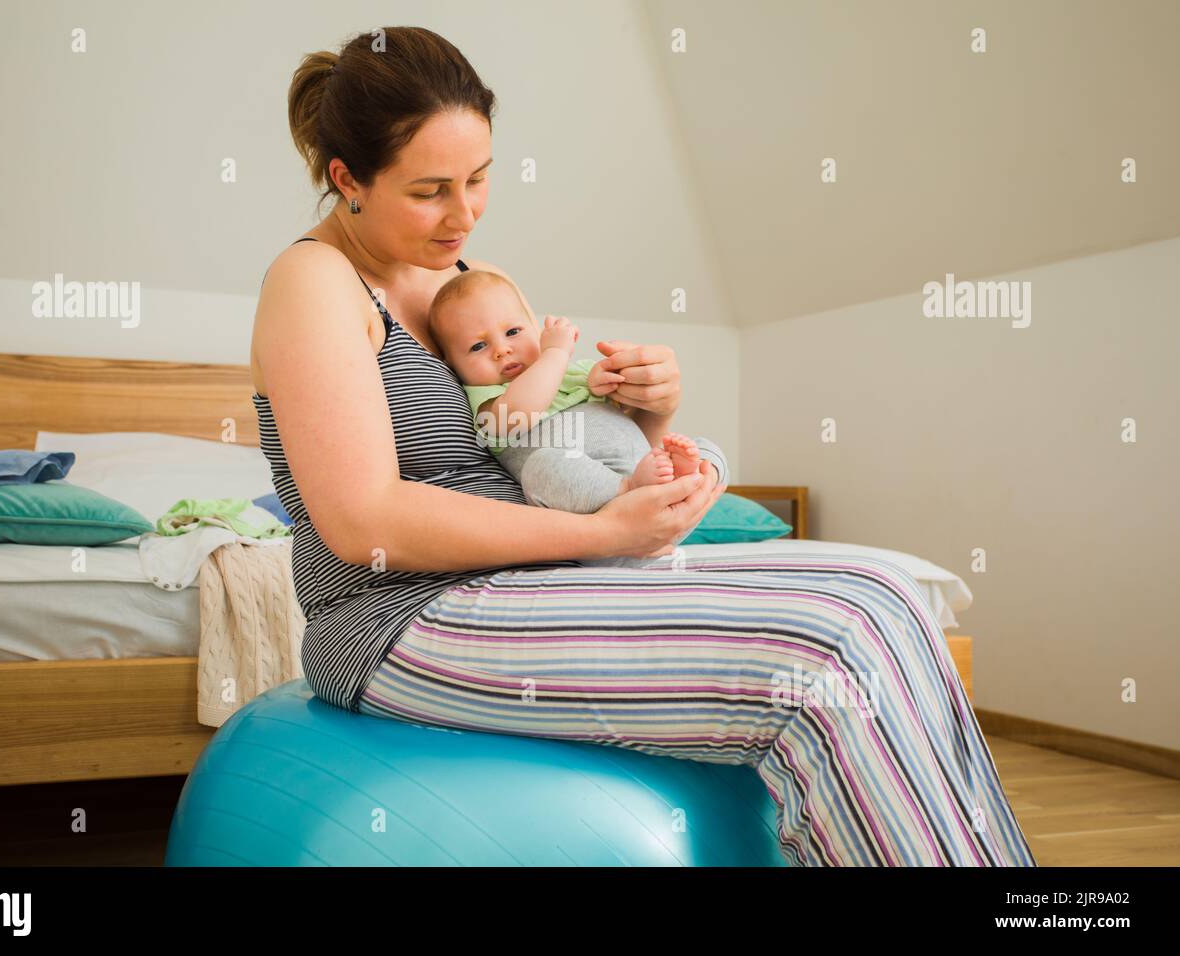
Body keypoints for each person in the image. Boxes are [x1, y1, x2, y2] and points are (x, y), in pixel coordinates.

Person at [250, 26, 1036, 866]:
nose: (464, 213)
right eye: (430, 190)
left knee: (886, 590)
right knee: (828, 647)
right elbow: (365, 520)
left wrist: (646, 413)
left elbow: (526, 442)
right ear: (348, 180)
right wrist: (604, 534)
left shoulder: (455, 280)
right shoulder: (313, 284)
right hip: (399, 618)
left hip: (535, 578)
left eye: (479, 179)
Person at [425, 268, 732, 518]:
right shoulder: (488, 398)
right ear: (451, 364)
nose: (502, 350)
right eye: (478, 346)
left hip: (649, 481)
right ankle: (629, 490)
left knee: (709, 452)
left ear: (534, 328)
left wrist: (611, 379)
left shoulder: (568, 371)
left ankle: (684, 483)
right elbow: (518, 414)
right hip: (600, 513)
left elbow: (620, 405)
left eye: (513, 332)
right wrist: (555, 353)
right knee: (542, 468)